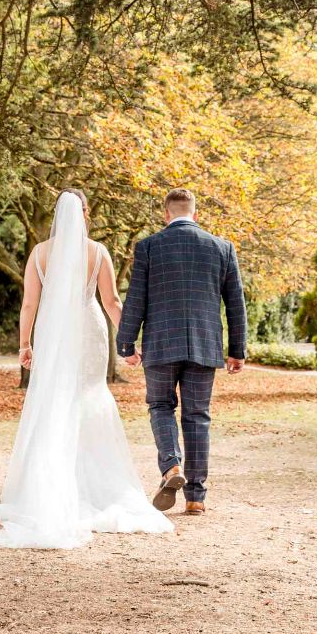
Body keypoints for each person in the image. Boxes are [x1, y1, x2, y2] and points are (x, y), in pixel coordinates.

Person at [0, 189, 173, 549]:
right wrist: (128, 344)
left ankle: (47, 487)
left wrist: (25, 344)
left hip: (53, 332)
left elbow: (28, 305)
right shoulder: (97, 252)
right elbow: (112, 301)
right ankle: (97, 487)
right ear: (84, 213)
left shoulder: (39, 253)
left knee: (56, 401)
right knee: (90, 396)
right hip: (88, 328)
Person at [117, 188, 248, 516]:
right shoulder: (222, 248)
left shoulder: (148, 247)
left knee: (160, 406)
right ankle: (196, 497)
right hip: (204, 344)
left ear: (166, 214)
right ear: (195, 213)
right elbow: (236, 304)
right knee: (198, 416)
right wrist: (237, 350)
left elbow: (136, 299)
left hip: (161, 343)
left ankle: (172, 467)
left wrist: (126, 343)